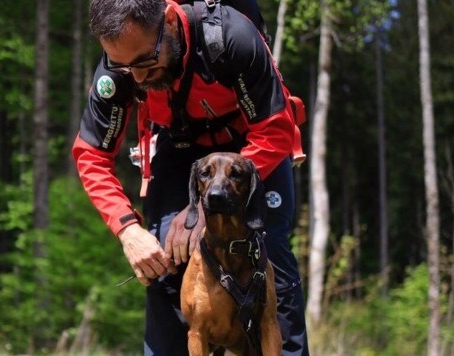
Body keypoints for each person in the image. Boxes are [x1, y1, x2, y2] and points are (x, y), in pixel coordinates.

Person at [72, 0, 309, 354]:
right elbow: (92, 155)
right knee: (166, 261)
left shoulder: (232, 38)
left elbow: (274, 130)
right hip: (179, 148)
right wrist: (128, 230)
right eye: (123, 66)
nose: (136, 77)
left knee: (268, 253)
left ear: (168, 22)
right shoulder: (117, 72)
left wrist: (203, 208)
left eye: (146, 62)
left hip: (250, 146)